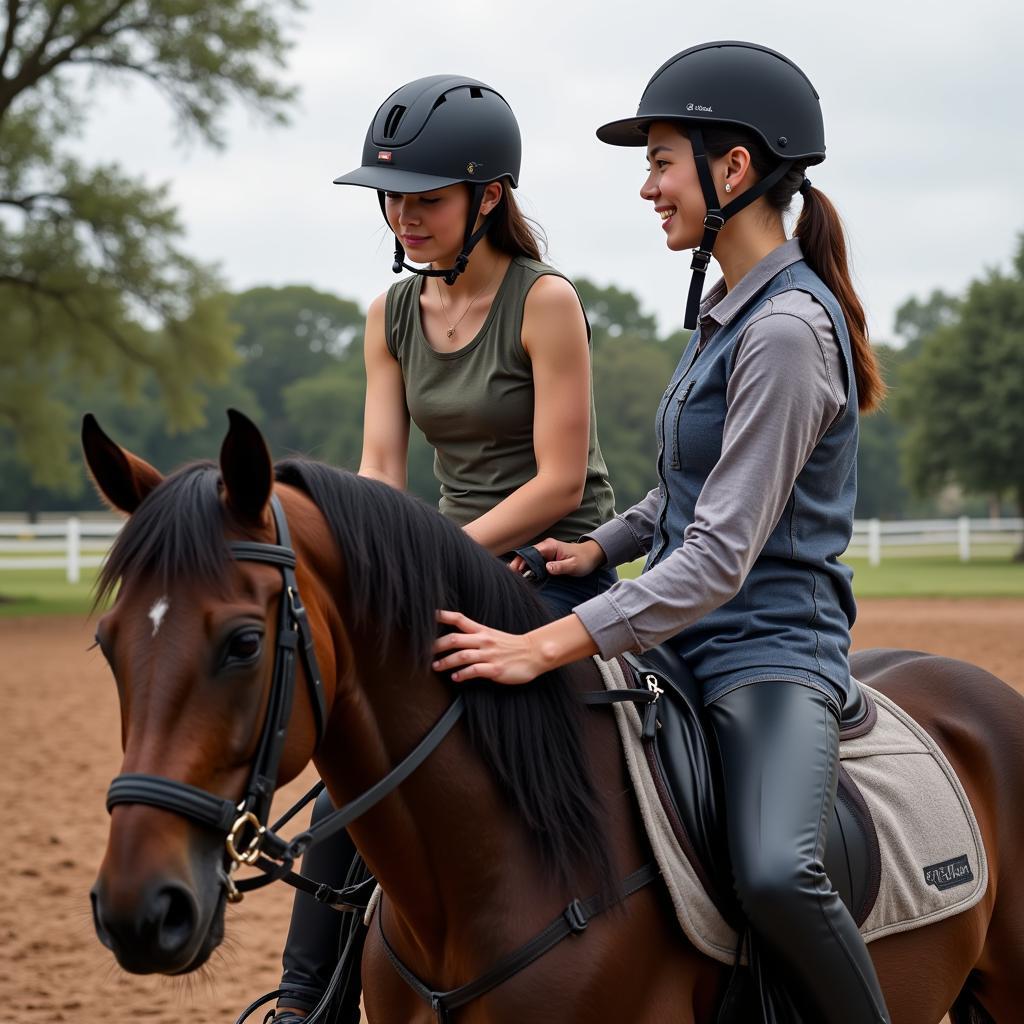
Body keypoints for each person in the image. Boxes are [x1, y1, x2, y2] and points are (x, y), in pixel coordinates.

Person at [432, 42, 891, 1023]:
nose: (647, 187)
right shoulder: (724, 311)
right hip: (681, 636)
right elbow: (687, 494)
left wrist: (549, 638)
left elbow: (721, 556)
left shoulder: (784, 332)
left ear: (732, 171)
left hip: (769, 652)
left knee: (775, 873)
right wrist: (601, 546)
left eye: (661, 162)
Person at [260, 74, 616, 1023]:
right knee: (358, 735)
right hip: (445, 562)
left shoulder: (546, 302)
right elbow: (381, 466)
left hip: (556, 562)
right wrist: (379, 571)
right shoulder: (389, 314)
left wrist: (437, 557)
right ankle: (307, 1001)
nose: (403, 216)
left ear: (488, 196)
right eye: (393, 197)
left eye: (426, 197)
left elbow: (560, 481)